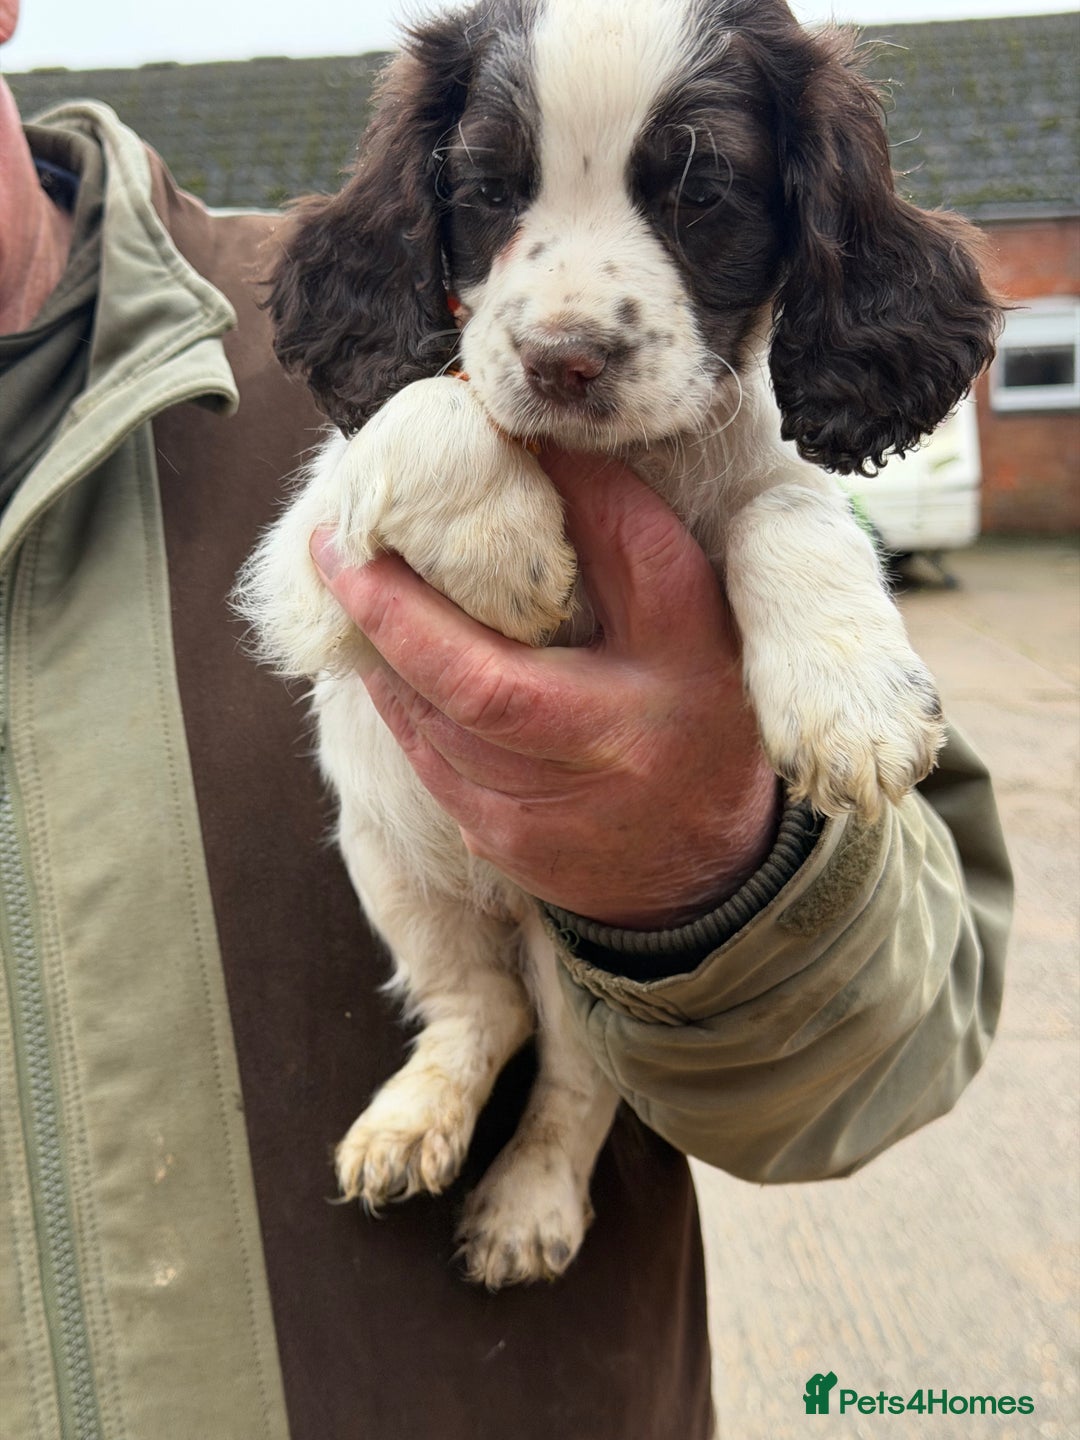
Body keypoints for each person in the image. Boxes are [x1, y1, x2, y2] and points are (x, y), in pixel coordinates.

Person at [0, 11, 1011, 1437]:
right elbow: (313, 606)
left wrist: (719, 864)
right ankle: (467, 1033)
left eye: (700, 193)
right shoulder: (391, 368)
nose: (563, 320)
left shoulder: (718, 422)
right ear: (444, 193)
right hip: (410, 896)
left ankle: (555, 1133)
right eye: (502, 194)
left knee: (773, 543)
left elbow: (906, 1030)